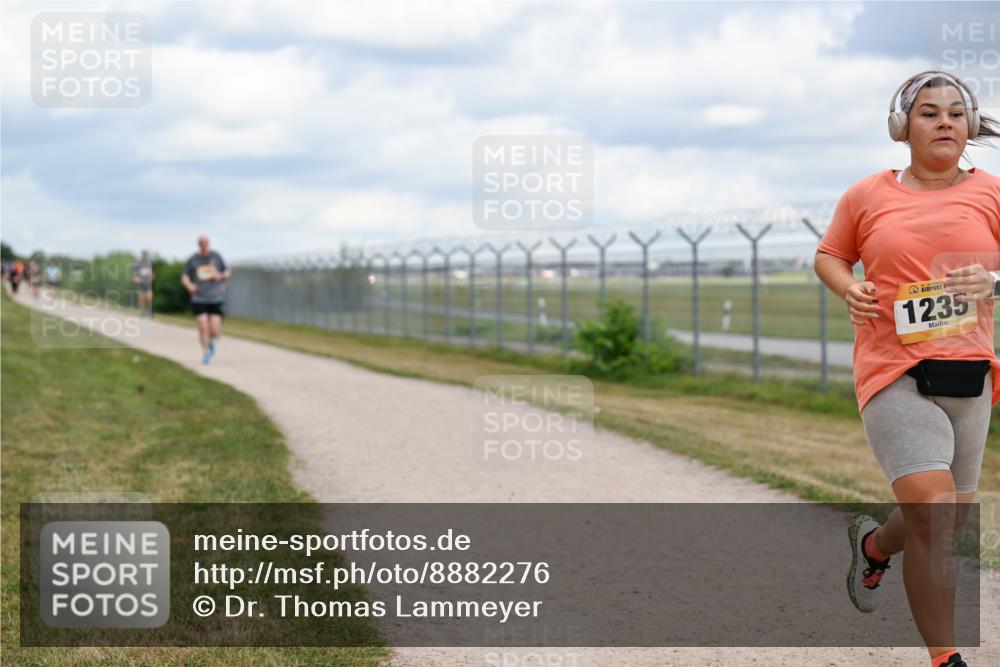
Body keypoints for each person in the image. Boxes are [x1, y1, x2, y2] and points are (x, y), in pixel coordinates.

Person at [815, 71, 1000, 667]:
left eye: (954, 112)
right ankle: (946, 659)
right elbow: (830, 255)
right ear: (902, 128)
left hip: (970, 372)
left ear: (969, 125)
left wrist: (994, 282)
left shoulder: (992, 193)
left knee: (940, 518)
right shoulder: (867, 195)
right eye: (928, 113)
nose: (943, 121)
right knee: (935, 514)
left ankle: (872, 546)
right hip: (892, 368)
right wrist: (850, 288)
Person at [181, 235, 230, 364]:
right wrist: (189, 285)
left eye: (206, 242)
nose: (205, 245)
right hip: (199, 297)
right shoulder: (193, 259)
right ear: (198, 244)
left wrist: (220, 276)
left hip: (215, 297)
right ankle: (206, 352)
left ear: (209, 243)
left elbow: (227, 271)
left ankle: (211, 341)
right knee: (203, 326)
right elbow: (184, 276)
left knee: (214, 330)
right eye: (202, 243)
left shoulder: (216, 256)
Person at [131, 250, 155, 317]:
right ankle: (143, 312)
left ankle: (149, 309)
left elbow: (154, 272)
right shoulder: (138, 263)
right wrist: (134, 278)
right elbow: (132, 271)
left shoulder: (151, 263)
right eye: (143, 254)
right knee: (141, 298)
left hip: (148, 283)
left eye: (146, 254)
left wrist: (151, 278)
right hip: (140, 283)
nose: (144, 255)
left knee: (149, 297)